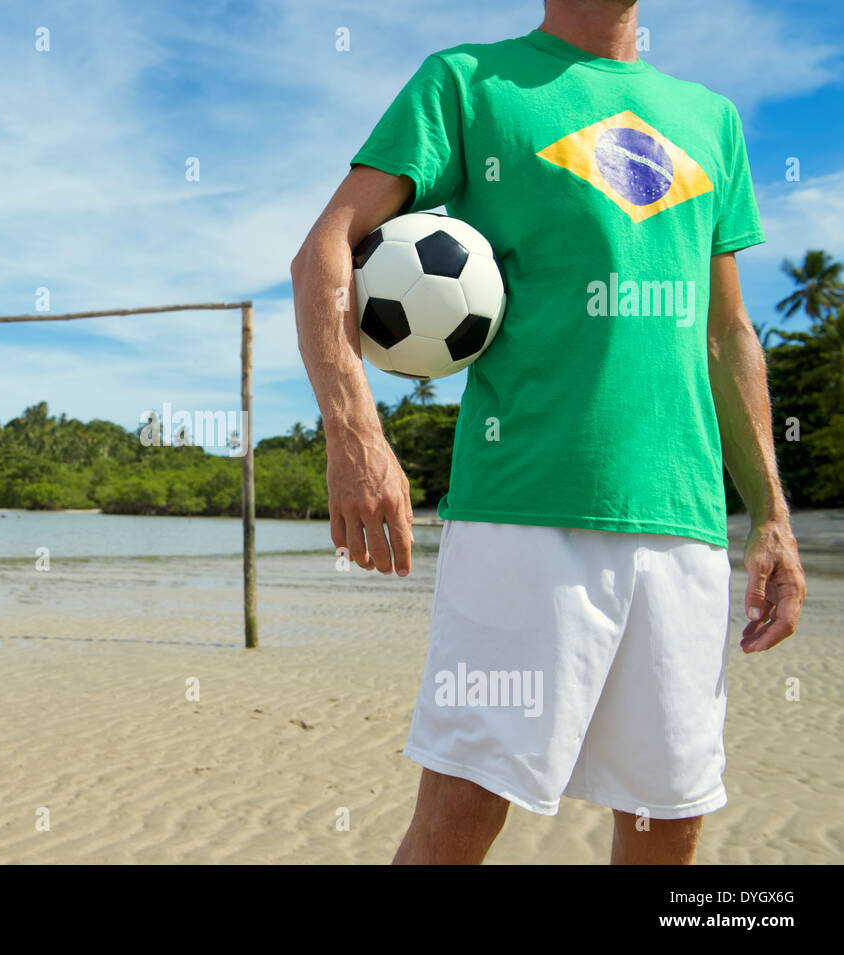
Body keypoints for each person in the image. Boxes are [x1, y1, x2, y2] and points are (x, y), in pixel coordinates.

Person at [291, 0, 807, 864]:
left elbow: (727, 334)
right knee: (462, 812)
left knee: (667, 822)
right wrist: (356, 436)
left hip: (684, 524)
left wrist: (775, 518)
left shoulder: (711, 119)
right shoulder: (465, 81)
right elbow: (325, 249)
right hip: (524, 508)